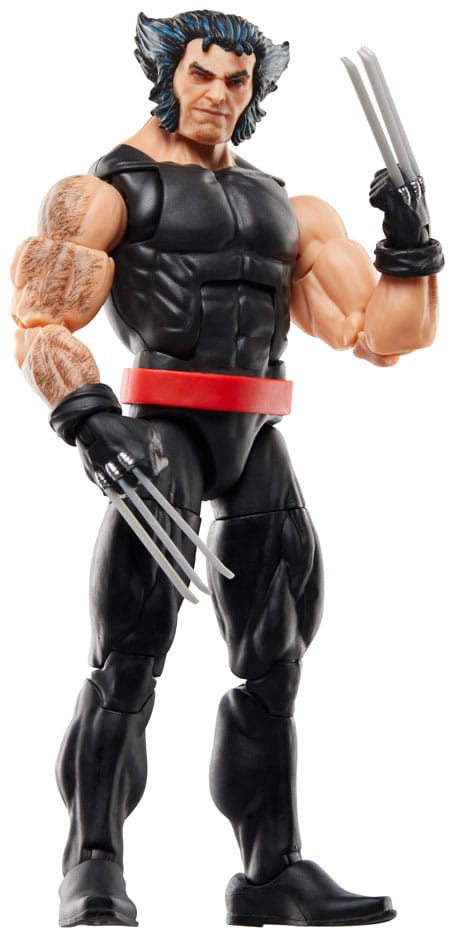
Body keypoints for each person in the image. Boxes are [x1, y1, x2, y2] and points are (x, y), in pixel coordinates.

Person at [11, 10, 443, 928]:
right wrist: (88, 418)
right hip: (161, 434)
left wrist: (409, 252)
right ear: (168, 75)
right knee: (129, 658)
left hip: (256, 435)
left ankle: (270, 872)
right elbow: (41, 318)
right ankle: (93, 865)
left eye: (237, 80)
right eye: (201, 74)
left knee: (275, 663)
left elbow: (378, 337)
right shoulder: (107, 191)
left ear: (256, 90)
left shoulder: (289, 208)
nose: (217, 94)